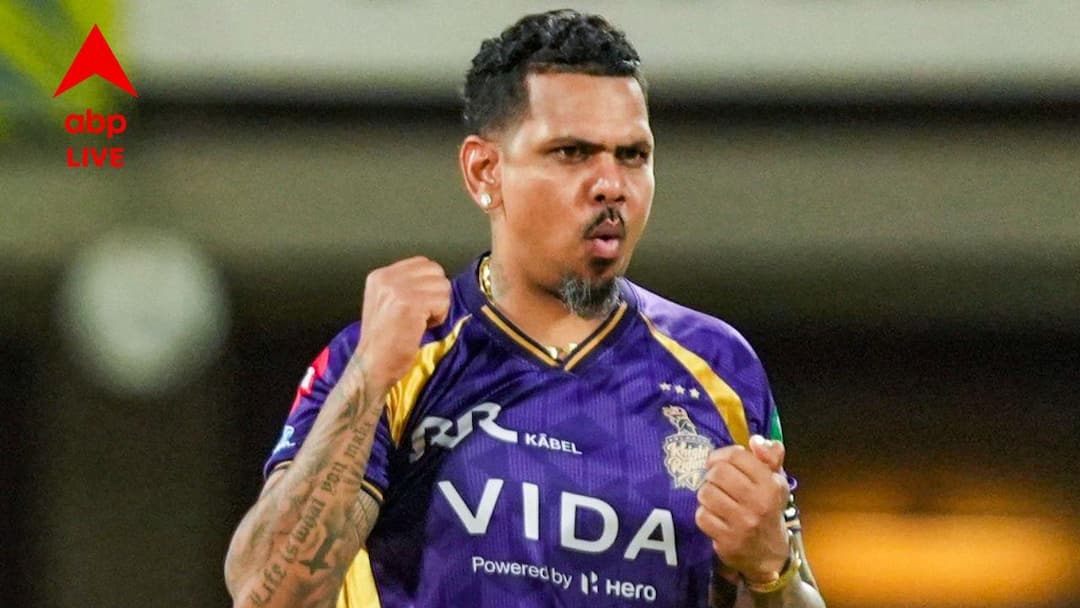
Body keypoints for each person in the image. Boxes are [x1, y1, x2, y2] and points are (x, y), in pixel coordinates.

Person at [225, 9, 827, 608]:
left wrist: (772, 569)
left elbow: (786, 587)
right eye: (572, 152)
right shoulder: (398, 356)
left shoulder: (719, 365)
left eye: (632, 155)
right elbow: (265, 595)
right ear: (484, 171)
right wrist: (368, 374)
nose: (611, 184)